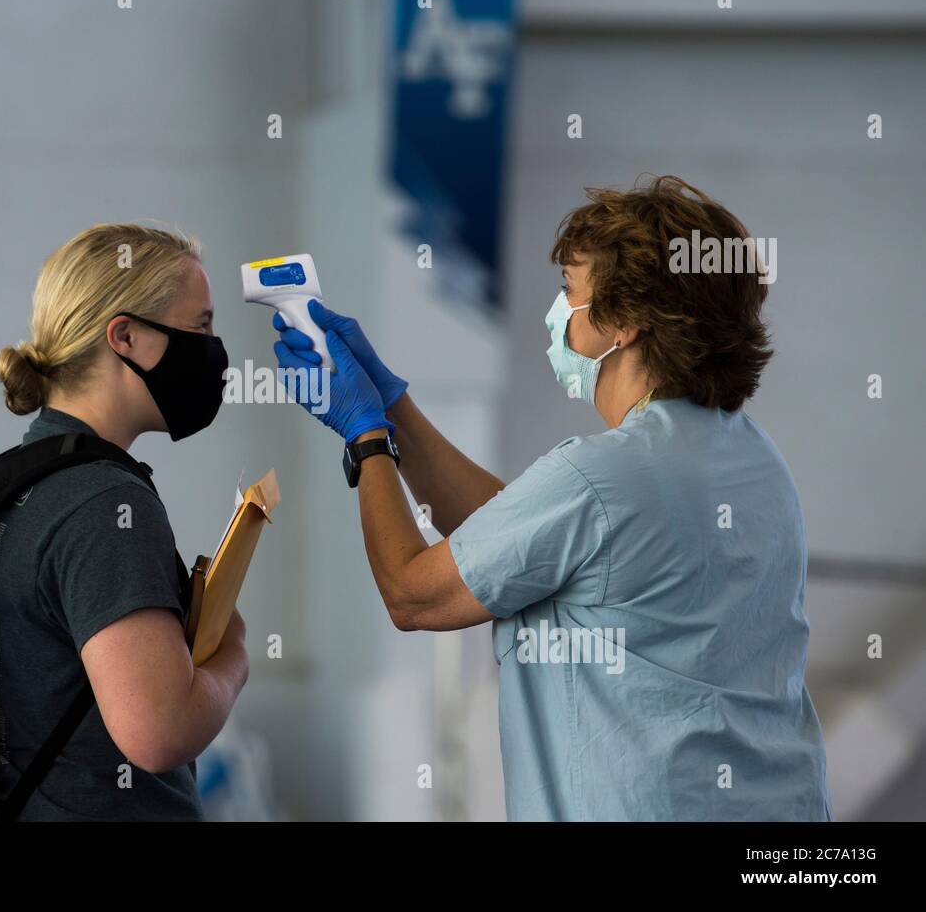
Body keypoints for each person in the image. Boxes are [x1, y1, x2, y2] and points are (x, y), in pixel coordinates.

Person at [273, 176, 833, 821]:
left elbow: (413, 592)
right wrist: (391, 400)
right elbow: (525, 541)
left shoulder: (602, 476)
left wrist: (367, 438)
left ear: (622, 323)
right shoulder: (752, 458)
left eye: (570, 291)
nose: (557, 310)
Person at [0, 223, 247, 820]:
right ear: (125, 336)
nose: (215, 348)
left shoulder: (14, 483)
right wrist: (231, 655)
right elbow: (158, 730)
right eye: (201, 325)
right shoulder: (102, 505)